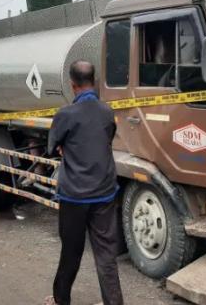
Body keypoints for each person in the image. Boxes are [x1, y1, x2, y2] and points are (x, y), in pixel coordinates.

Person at [44, 60, 124, 305]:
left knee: (71, 253)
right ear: (94, 81)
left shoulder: (65, 114)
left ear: (72, 84)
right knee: (106, 256)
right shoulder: (107, 111)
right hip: (104, 194)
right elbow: (106, 138)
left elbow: (50, 148)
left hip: (74, 197)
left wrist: (64, 147)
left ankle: (61, 300)